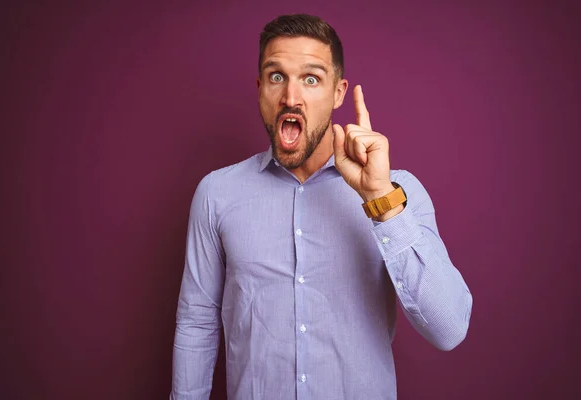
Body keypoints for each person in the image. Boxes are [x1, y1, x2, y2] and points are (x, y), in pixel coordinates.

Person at [170, 14, 472, 400]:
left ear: (338, 92)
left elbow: (449, 329)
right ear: (260, 87)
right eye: (277, 76)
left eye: (311, 79)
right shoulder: (216, 194)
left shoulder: (399, 190)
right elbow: (197, 323)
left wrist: (379, 199)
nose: (291, 97)